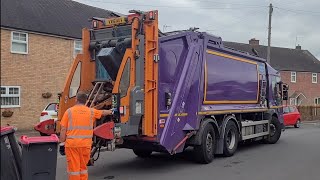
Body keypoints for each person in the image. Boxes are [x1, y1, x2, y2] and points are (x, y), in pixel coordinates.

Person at [59, 91, 113, 180]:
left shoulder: (69, 112)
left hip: (72, 145)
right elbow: (102, 112)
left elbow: (63, 129)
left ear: (76, 100)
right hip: (86, 145)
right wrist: (111, 111)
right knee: (83, 168)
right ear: (86, 101)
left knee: (74, 170)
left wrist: (61, 143)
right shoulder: (91, 112)